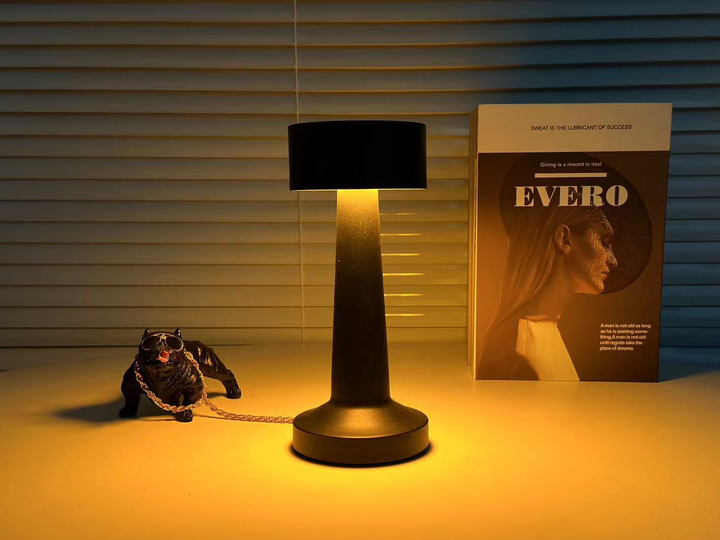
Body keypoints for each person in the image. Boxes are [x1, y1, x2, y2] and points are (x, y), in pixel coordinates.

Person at [477, 203, 618, 380]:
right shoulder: (521, 350)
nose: (613, 260)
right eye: (604, 243)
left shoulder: (541, 332)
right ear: (564, 239)